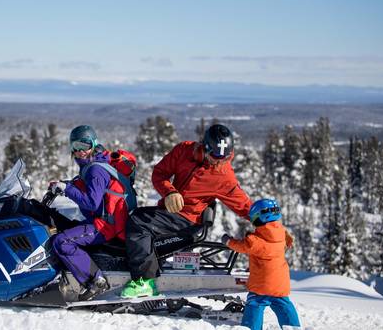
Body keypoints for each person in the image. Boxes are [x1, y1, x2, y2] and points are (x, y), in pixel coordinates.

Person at [121, 123, 253, 298]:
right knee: (135, 215)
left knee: (138, 224)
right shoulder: (184, 151)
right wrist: (169, 192)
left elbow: (244, 205)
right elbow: (159, 173)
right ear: (204, 146)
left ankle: (145, 281)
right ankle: (132, 262)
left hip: (187, 221)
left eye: (224, 157)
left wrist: (273, 226)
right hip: (170, 211)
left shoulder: (223, 175)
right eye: (214, 156)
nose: (218, 162)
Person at [48, 125, 131, 301]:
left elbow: (92, 202)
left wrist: (67, 189)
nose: (79, 151)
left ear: (93, 144)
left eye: (84, 145)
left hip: (104, 226)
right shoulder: (93, 165)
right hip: (104, 221)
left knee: (62, 242)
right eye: (75, 146)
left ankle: (95, 281)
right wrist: (65, 185)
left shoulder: (96, 169)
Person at [222, 198, 301, 330]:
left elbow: (242, 246)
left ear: (259, 218)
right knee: (283, 304)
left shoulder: (255, 241)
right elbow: (282, 245)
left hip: (262, 283)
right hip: (280, 282)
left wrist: (228, 241)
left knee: (255, 303)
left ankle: (251, 327)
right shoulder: (282, 234)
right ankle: (293, 326)